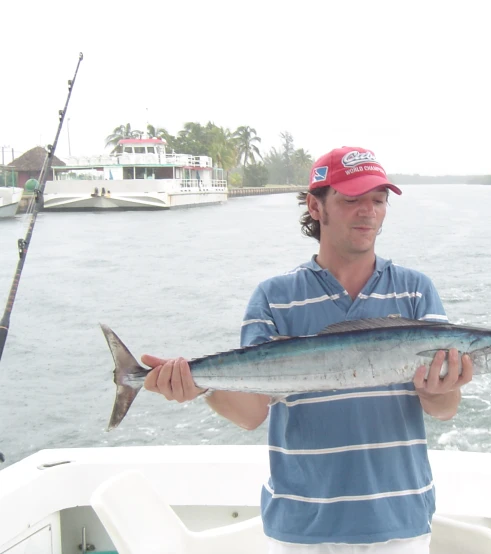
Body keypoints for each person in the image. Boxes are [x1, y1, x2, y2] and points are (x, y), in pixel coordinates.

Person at [141, 146, 473, 552]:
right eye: (352, 200)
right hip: (301, 528)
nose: (368, 211)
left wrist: (438, 390)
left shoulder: (416, 290)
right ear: (316, 207)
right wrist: (201, 387)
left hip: (400, 521)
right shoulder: (274, 297)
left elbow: (444, 409)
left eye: (378, 200)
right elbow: (251, 414)